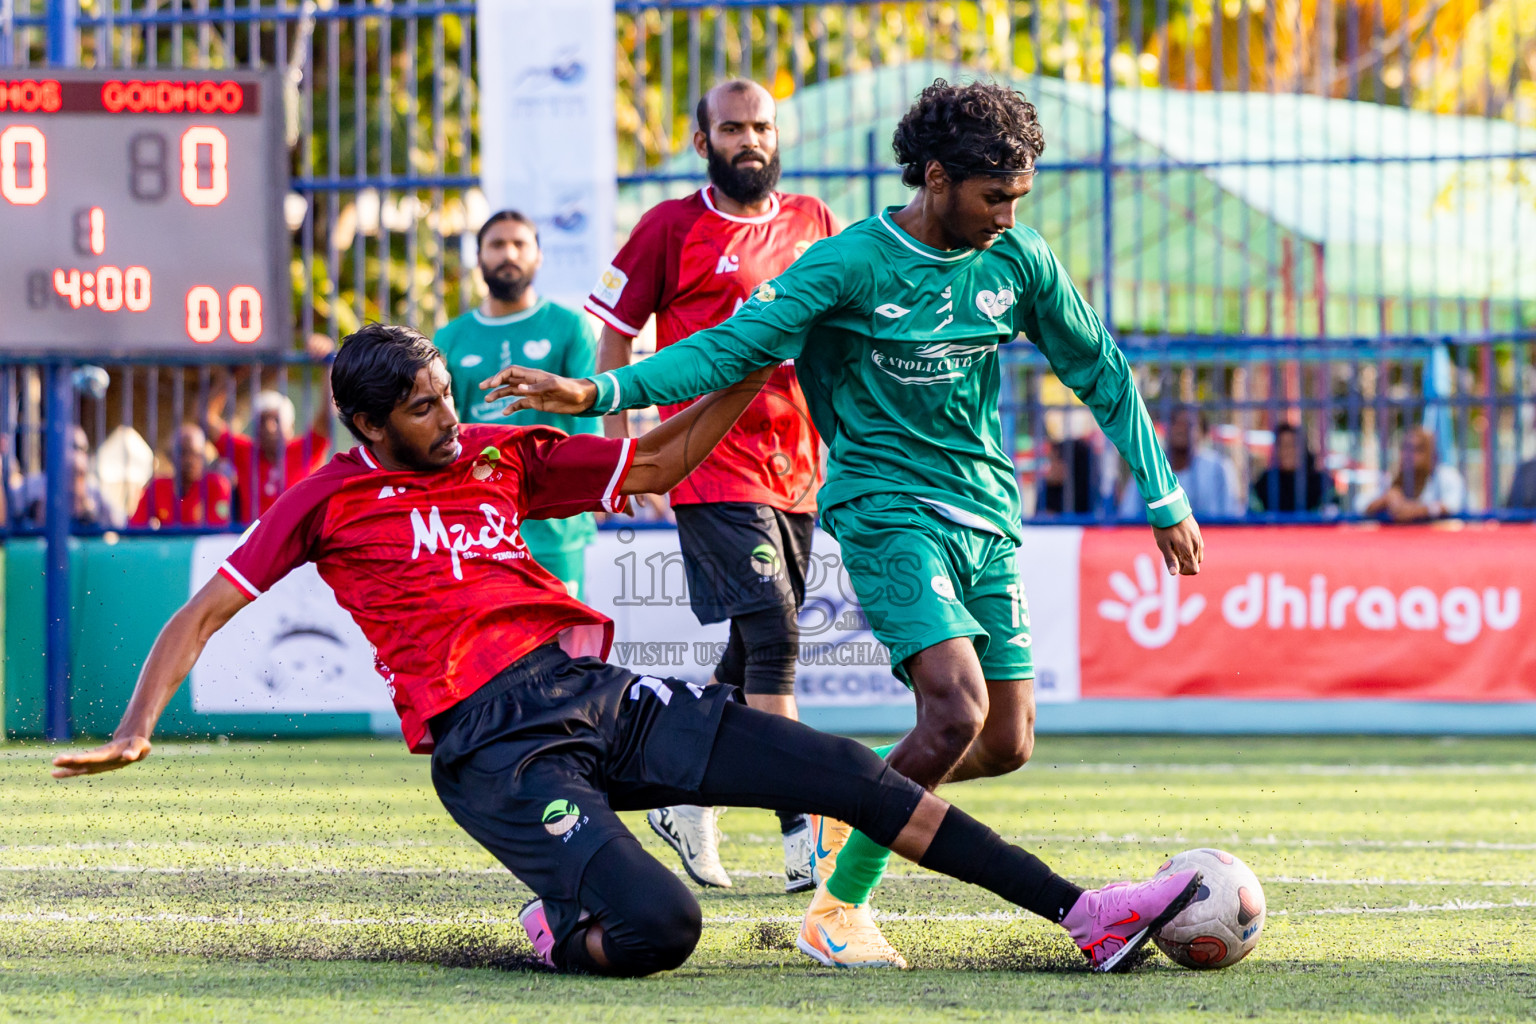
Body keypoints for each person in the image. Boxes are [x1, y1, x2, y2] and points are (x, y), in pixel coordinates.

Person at [52, 323, 1202, 979]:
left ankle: (1085, 914)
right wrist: (135, 729)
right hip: (495, 753)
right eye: (419, 409)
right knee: (663, 930)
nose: (447, 419)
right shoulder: (325, 499)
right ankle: (558, 919)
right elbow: (204, 610)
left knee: (850, 772)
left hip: (595, 693)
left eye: (446, 396)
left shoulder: (497, 453)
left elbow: (651, 462)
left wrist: (758, 362)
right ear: (366, 426)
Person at [483, 78, 1205, 968]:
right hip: (882, 504)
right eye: (994, 197)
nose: (1009, 216)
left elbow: (1099, 367)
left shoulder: (1018, 260)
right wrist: (602, 391)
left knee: (1006, 741)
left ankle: (845, 788)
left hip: (984, 507)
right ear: (936, 178)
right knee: (953, 712)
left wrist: (1163, 494)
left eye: (1020, 197)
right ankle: (839, 910)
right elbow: (728, 348)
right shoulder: (850, 261)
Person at [584, 78, 838, 893]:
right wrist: (621, 455)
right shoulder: (667, 228)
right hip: (707, 459)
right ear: (705, 143)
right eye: (732, 128)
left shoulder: (814, 222)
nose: (749, 140)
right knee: (776, 632)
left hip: (797, 466)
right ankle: (803, 835)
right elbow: (615, 341)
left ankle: (687, 801)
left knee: (747, 650)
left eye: (761, 126)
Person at [436, 209, 600, 599]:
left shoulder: (569, 326)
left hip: (554, 519)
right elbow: (440, 424)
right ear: (479, 258)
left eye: (519, 244)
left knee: (566, 647)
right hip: (475, 517)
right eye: (496, 244)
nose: (508, 253)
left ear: (539, 256)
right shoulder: (450, 336)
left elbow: (588, 416)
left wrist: (592, 482)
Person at [206, 335, 335, 522]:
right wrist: (232, 374)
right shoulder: (245, 452)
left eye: (275, 419)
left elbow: (327, 417)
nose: (268, 426)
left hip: (296, 542)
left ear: (290, 427)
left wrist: (327, 363)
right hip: (254, 541)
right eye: (261, 421)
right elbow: (206, 419)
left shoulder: (304, 449)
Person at [1117, 407, 1242, 520]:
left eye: (1189, 425)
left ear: (1202, 433)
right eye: (1175, 422)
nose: (1180, 429)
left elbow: (1229, 515)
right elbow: (1129, 514)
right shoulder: (1147, 468)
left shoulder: (1218, 468)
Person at [12, 425, 121, 530]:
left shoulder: (94, 493)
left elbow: (117, 529)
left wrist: (87, 508)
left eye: (83, 449)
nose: (78, 455)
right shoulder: (30, 488)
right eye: (73, 447)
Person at [129, 423, 234, 528]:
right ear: (171, 456)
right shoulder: (156, 487)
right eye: (183, 452)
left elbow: (218, 531)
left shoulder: (217, 485)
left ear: (203, 455)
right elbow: (136, 528)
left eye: (195, 453)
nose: (189, 460)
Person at [1358, 426, 1466, 522]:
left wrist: (1417, 510)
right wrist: (1385, 500)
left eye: (1417, 449)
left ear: (1431, 453)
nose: (1409, 455)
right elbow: (1360, 504)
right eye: (1406, 448)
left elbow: (1452, 505)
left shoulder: (1446, 476)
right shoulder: (1392, 478)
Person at [1251, 422, 1331, 514]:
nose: (1287, 451)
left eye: (1292, 445)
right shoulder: (1265, 483)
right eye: (1282, 446)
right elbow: (1254, 517)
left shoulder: (1321, 483)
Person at [1035, 437, 1097, 516]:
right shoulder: (1046, 493)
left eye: (1052, 461)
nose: (1047, 467)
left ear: (1070, 466)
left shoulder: (1090, 500)